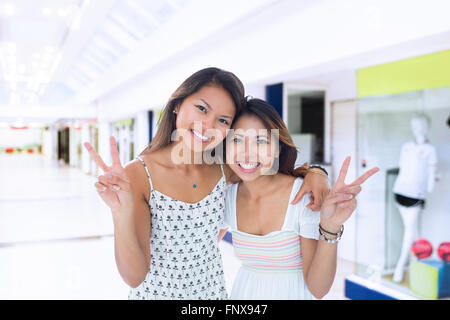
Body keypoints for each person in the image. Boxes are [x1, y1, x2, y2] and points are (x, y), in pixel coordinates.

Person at [83, 67, 330, 299]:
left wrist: (317, 173)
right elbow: (134, 277)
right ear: (177, 105)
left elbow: (269, 171)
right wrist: (120, 211)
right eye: (202, 108)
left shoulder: (225, 169)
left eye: (223, 120)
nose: (208, 125)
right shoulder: (138, 175)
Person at [223, 98, 379, 299]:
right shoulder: (227, 197)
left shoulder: (303, 196)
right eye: (236, 139)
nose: (247, 153)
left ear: (278, 148)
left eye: (260, 141)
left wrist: (330, 227)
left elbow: (318, 289)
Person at [392, 114, 438, 283]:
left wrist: (431, 183)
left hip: (416, 194)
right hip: (400, 191)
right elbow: (403, 167)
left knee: (409, 230)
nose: (418, 128)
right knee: (412, 230)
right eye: (415, 125)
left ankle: (400, 266)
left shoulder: (430, 150)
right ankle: (418, 265)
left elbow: (431, 177)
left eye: (421, 125)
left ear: (427, 127)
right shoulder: (406, 147)